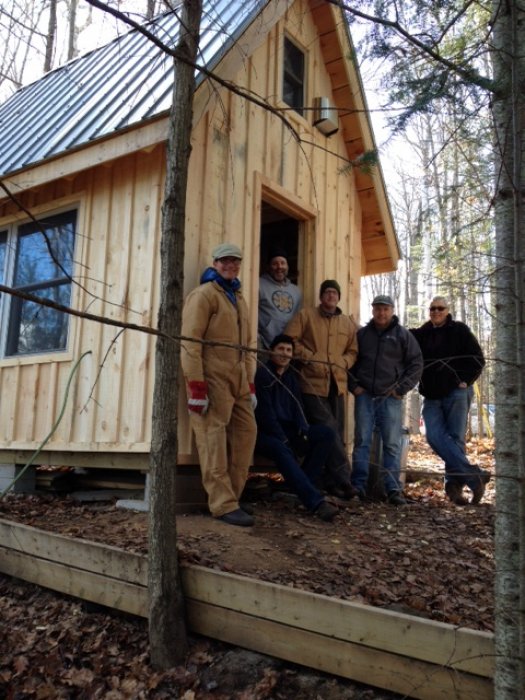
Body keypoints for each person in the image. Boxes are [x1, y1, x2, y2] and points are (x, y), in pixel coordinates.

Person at [181, 242, 257, 527]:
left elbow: (247, 345)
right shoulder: (204, 295)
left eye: (235, 261)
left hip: (238, 379)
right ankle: (222, 504)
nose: (230, 265)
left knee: (247, 433)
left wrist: (250, 383)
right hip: (212, 378)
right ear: (215, 264)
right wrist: (196, 387)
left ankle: (232, 497)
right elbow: (190, 343)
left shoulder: (238, 297)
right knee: (212, 439)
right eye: (224, 261)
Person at [411, 296, 490, 505]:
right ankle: (474, 476)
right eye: (432, 309)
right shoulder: (423, 333)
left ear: (447, 310)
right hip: (431, 395)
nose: (436, 312)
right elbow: (401, 338)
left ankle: (453, 489)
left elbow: (478, 359)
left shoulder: (459, 330)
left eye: (440, 308)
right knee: (433, 436)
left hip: (456, 393)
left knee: (455, 439)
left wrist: (465, 380)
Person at [285, 279, 358, 498]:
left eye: (334, 293)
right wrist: (309, 357)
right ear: (321, 296)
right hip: (311, 384)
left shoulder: (346, 323)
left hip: (338, 385)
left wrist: (344, 362)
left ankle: (328, 482)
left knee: (336, 434)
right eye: (327, 292)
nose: (331, 296)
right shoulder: (306, 316)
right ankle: (344, 480)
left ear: (339, 297)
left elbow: (353, 351)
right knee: (329, 429)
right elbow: (289, 339)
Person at [254, 334, 339, 521]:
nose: (284, 354)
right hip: (265, 434)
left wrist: (303, 429)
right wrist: (284, 439)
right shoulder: (263, 375)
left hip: (289, 430)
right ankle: (315, 502)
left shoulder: (291, 377)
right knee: (280, 448)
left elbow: (297, 407)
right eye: (280, 349)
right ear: (271, 351)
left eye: (288, 350)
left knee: (325, 434)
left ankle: (300, 486)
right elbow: (265, 415)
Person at [348, 295, 423, 506]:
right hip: (365, 396)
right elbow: (349, 361)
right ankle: (358, 486)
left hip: (390, 397)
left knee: (391, 443)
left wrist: (400, 388)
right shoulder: (362, 335)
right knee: (362, 441)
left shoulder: (403, 335)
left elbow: (416, 363)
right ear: (372, 310)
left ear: (392, 311)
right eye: (378, 309)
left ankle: (393, 489)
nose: (381, 313)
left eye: (385, 309)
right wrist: (354, 386)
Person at [258, 249, 302, 349]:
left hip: (287, 347)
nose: (279, 267)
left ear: (287, 266)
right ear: (268, 267)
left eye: (283, 263)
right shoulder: (259, 284)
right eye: (275, 263)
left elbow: (297, 319)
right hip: (264, 344)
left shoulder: (296, 291)